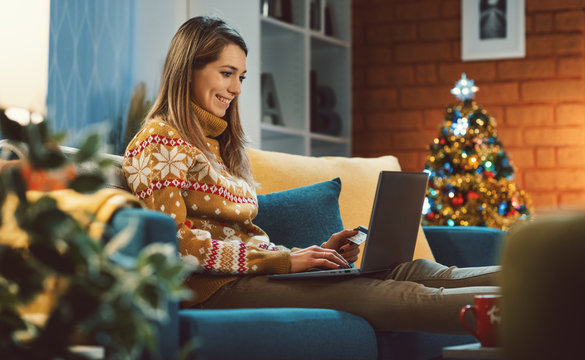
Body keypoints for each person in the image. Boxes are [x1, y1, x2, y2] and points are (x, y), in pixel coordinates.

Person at [122, 16, 500, 334]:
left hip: (254, 275)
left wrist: (308, 254)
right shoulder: (159, 141)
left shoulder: (221, 145)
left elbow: (248, 242)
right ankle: (535, 310)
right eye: (226, 73)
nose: (236, 89)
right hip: (212, 290)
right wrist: (284, 262)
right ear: (188, 70)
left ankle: (541, 279)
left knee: (410, 269)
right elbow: (174, 245)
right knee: (395, 295)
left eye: (242, 76)